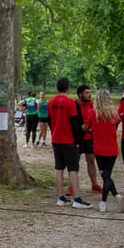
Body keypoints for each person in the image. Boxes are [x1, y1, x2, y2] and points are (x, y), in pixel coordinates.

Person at [48, 78, 92, 209]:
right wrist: (78, 141)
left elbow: (49, 120)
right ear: (68, 88)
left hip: (56, 139)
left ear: (57, 88)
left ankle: (60, 196)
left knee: (59, 168)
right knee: (73, 169)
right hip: (69, 140)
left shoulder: (51, 102)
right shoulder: (70, 103)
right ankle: (77, 198)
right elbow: (74, 122)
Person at [88, 90, 124, 213]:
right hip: (112, 147)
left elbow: (87, 126)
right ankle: (115, 195)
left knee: (104, 174)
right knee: (107, 174)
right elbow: (115, 127)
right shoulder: (114, 113)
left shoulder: (93, 113)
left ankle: (104, 201)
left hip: (99, 148)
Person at [70, 85, 101, 196]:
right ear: (80, 94)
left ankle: (94, 184)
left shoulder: (92, 105)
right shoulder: (74, 105)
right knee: (75, 162)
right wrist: (80, 127)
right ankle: (72, 186)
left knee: (91, 160)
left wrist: (91, 127)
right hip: (77, 137)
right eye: (86, 93)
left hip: (89, 137)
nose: (89, 95)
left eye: (89, 92)